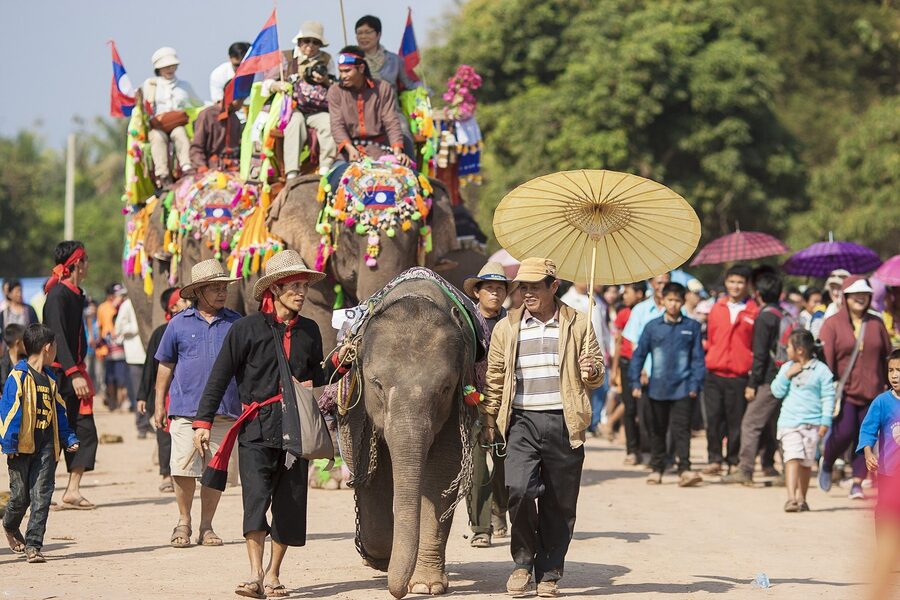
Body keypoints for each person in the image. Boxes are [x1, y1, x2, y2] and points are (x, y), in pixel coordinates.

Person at [193, 250, 346, 598]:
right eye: (293, 286)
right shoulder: (245, 329)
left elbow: (318, 377)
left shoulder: (309, 331)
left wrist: (339, 362)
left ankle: (274, 573)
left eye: (303, 286)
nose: (301, 293)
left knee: (290, 503)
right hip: (256, 430)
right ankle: (254, 574)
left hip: (296, 434)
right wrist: (203, 421)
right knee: (256, 500)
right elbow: (219, 377)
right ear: (274, 289)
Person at [481, 257, 604, 597]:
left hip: (565, 421)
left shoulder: (579, 323)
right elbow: (495, 376)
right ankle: (522, 563)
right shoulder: (507, 327)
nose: (527, 293)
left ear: (553, 286)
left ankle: (549, 572)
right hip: (521, 421)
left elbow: (597, 375)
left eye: (535, 286)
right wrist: (490, 417)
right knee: (518, 490)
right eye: (523, 287)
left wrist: (590, 369)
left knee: (560, 503)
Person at [153, 261, 241, 548]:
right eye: (215, 287)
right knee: (182, 468)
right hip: (185, 411)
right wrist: (158, 403)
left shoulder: (236, 323)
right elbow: (165, 364)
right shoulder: (178, 324)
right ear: (199, 292)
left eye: (224, 287)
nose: (221, 292)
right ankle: (184, 521)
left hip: (225, 411)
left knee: (214, 473)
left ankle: (207, 526)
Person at [1, 324, 79, 563]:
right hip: (21, 449)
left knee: (42, 495)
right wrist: (10, 444)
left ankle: (33, 545)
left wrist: (68, 438)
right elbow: (9, 412)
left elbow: (60, 414)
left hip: (46, 447)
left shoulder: (50, 379)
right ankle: (10, 524)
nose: (55, 351)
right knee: (20, 497)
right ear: (48, 348)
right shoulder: (18, 376)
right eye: (55, 347)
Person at [819, 276, 892, 499]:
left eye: (864, 294)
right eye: (855, 294)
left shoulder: (877, 322)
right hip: (845, 392)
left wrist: (891, 384)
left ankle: (857, 482)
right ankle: (828, 461)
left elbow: (887, 356)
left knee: (867, 437)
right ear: (846, 297)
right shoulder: (832, 323)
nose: (860, 298)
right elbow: (826, 360)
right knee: (844, 432)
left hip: (873, 391)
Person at [462, 262, 516, 549]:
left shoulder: (515, 324)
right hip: (472, 401)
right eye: (489, 288)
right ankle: (480, 527)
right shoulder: (466, 322)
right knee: (476, 468)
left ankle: (499, 510)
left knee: (505, 464)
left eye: (500, 288)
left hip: (507, 403)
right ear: (478, 292)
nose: (495, 293)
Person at [630, 282, 706, 487]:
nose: (673, 304)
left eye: (677, 300)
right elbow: (639, 355)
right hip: (657, 388)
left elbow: (698, 358)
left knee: (682, 430)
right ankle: (657, 468)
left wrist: (695, 385)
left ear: (683, 302)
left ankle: (685, 470)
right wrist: (635, 381)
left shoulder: (692, 327)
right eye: (669, 300)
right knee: (657, 429)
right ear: (662, 300)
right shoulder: (652, 327)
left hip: (683, 388)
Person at [42, 241, 97, 509]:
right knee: (52, 434)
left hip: (74, 373)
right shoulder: (57, 296)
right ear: (76, 263)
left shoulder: (76, 294)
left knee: (84, 430)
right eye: (85, 260)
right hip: (58, 375)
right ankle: (41, 492)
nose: (88, 265)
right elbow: (57, 337)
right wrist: (73, 372)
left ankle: (72, 490)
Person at [723, 272, 788, 485]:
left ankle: (745, 470)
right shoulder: (786, 314)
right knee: (781, 425)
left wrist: (753, 384)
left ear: (757, 294)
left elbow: (760, 355)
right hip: (788, 377)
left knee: (750, 423)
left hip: (770, 380)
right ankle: (790, 471)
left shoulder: (764, 317)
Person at [770, 329, 835, 512]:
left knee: (806, 463)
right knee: (792, 458)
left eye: (789, 346)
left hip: (812, 425)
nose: (786, 349)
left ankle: (802, 499)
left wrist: (825, 422)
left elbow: (828, 396)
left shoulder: (821, 370)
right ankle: (791, 498)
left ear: (799, 350)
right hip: (789, 423)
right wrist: (787, 375)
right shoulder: (787, 367)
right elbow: (776, 391)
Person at [701, 264, 757, 476]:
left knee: (736, 421)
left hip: (739, 374)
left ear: (747, 285)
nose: (735, 286)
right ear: (726, 283)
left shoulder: (753, 311)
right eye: (732, 281)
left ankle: (733, 460)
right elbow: (712, 338)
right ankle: (714, 458)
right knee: (713, 419)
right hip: (714, 372)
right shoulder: (716, 308)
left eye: (740, 282)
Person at [267, 21, 338, 178]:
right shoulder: (285, 57)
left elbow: (336, 87)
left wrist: (324, 80)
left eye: (315, 42)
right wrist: (277, 85)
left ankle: (326, 168)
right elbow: (267, 84)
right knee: (295, 123)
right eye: (307, 41)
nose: (310, 45)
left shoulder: (326, 60)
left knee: (329, 123)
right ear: (299, 41)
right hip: (292, 109)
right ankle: (292, 172)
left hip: (318, 108)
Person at [857, 349, 900, 600]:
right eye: (892, 371)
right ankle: (884, 559)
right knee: (885, 516)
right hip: (887, 473)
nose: (895, 376)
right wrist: (867, 452)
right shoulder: (882, 402)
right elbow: (868, 430)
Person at [138, 288, 189, 494]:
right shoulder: (161, 332)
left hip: (189, 390)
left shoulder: (196, 327)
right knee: (165, 433)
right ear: (173, 307)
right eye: (183, 301)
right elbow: (150, 366)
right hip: (167, 391)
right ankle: (166, 474)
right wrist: (143, 395)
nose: (188, 304)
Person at [327, 46, 409, 165]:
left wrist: (397, 153)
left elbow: (391, 121)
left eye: (347, 71)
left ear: (361, 68)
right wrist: (350, 149)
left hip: (381, 152)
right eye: (341, 71)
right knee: (334, 181)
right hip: (349, 154)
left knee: (410, 179)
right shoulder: (335, 91)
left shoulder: (383, 88)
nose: (343, 76)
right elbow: (337, 125)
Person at [354, 15, 420, 158]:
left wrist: (425, 91)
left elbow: (409, 84)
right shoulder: (352, 61)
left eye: (368, 32)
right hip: (361, 112)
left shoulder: (395, 60)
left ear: (378, 34)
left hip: (391, 111)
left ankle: (412, 172)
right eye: (359, 33)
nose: (363, 37)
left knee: (402, 130)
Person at [142, 47, 201, 188]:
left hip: (177, 124)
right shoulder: (150, 85)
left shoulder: (184, 86)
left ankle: (187, 167)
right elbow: (143, 109)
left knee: (180, 133)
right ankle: (162, 175)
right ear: (159, 68)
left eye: (173, 66)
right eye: (166, 67)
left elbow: (199, 105)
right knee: (157, 138)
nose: (170, 69)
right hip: (158, 126)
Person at [560, 283, 611, 436]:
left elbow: (603, 328)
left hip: (599, 351)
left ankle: (593, 423)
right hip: (579, 354)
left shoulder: (597, 300)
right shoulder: (567, 300)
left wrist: (609, 349)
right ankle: (582, 422)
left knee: (599, 388)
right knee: (581, 388)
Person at [611, 282, 647, 465]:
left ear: (639, 294)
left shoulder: (648, 311)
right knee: (629, 407)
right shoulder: (623, 314)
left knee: (645, 408)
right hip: (626, 363)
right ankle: (632, 449)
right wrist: (615, 367)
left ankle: (645, 447)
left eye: (628, 292)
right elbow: (618, 342)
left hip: (645, 365)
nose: (624, 296)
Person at [115, 293, 150, 437]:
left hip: (150, 355)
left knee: (151, 393)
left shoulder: (149, 300)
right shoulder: (127, 305)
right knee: (138, 393)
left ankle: (147, 421)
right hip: (135, 356)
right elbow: (118, 329)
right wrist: (137, 327)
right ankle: (141, 425)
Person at [190, 91, 245, 173]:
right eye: (241, 100)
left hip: (232, 168)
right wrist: (202, 167)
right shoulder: (207, 115)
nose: (242, 104)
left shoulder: (235, 119)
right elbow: (196, 147)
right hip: (211, 168)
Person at [98, 284, 128, 412]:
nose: (119, 297)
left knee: (121, 379)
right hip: (107, 349)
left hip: (121, 348)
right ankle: (112, 402)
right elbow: (100, 327)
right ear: (110, 295)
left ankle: (121, 404)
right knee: (109, 379)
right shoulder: (102, 308)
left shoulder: (123, 306)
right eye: (117, 294)